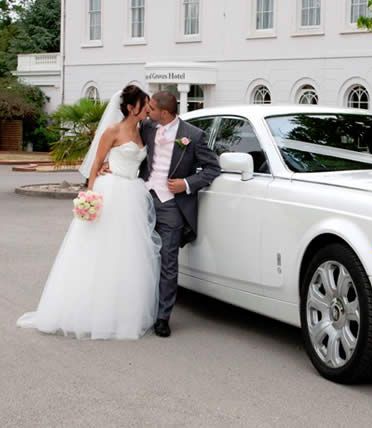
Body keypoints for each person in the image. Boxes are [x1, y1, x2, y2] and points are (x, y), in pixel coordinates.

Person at [17, 85, 162, 340]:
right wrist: (90, 196)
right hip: (111, 191)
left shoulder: (144, 130)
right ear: (131, 107)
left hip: (133, 195)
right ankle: (87, 311)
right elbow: (96, 165)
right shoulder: (112, 131)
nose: (148, 108)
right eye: (144, 104)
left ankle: (120, 312)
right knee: (97, 251)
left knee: (127, 255)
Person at [139, 91, 220, 337]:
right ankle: (139, 310)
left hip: (172, 206)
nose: (148, 111)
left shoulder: (193, 136)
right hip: (142, 200)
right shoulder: (147, 128)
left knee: (168, 262)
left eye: (151, 108)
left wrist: (185, 183)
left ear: (164, 112)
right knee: (139, 258)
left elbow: (212, 168)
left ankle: (162, 318)